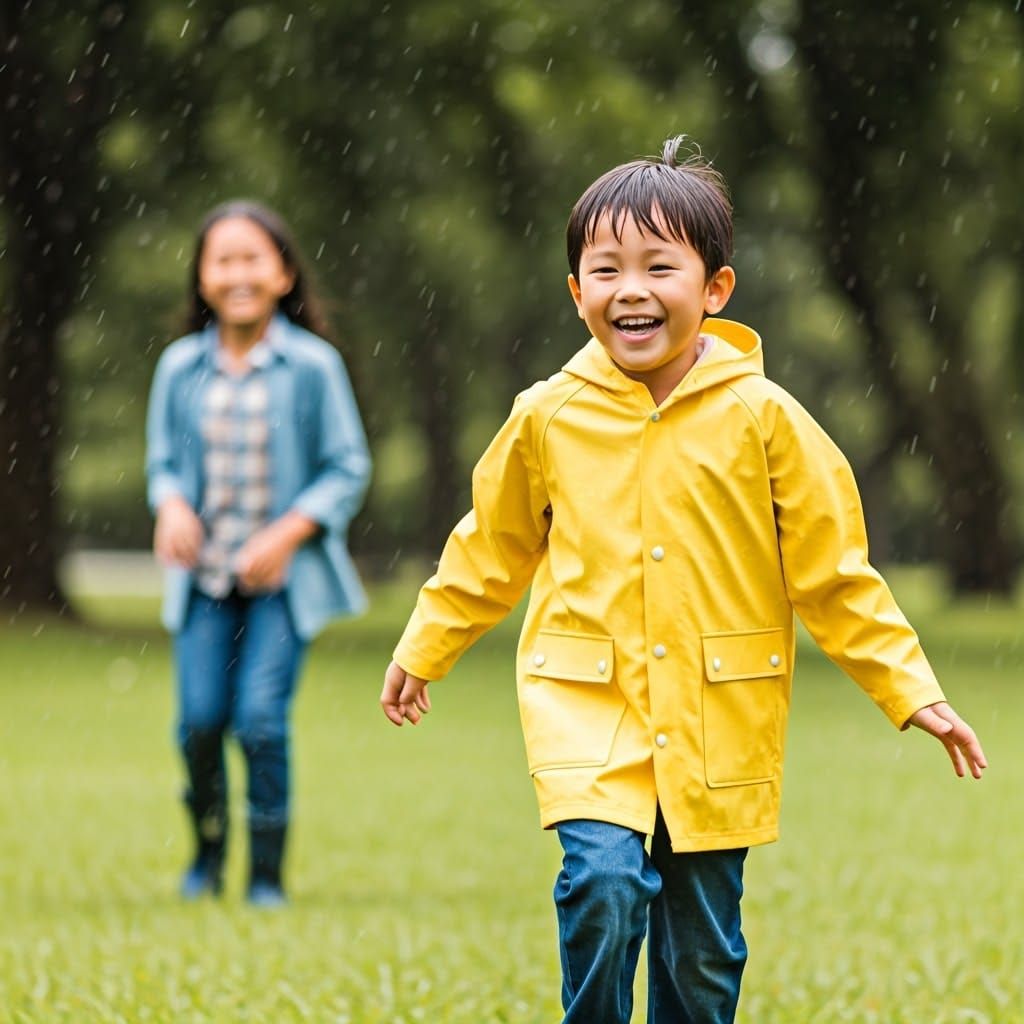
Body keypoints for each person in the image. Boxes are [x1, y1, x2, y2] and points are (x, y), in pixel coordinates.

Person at [379, 137, 987, 1022]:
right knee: (604, 882)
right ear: (577, 292)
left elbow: (836, 576)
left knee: (702, 959)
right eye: (606, 268)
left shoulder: (767, 419)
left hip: (719, 713)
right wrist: (427, 643)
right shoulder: (547, 416)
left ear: (714, 290)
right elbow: (491, 544)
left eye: (660, 267)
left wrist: (912, 691)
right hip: (590, 701)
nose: (632, 289)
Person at [146, 200, 371, 907]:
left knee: (261, 723)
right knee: (200, 723)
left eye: (253, 258)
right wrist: (172, 504)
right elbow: (162, 464)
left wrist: (288, 532)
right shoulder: (181, 368)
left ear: (282, 274)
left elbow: (348, 466)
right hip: (204, 583)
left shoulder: (312, 366)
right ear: (203, 277)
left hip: (282, 585)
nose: (238, 273)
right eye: (223, 260)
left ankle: (266, 877)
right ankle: (207, 857)